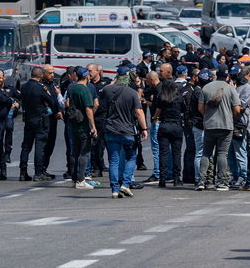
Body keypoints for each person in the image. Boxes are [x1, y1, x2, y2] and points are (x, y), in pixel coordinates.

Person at [101, 69, 147, 199]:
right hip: (127, 130)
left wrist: (113, 82)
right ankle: (125, 184)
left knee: (113, 161)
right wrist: (144, 129)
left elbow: (102, 95)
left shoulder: (108, 90)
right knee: (131, 157)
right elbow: (139, 112)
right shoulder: (132, 93)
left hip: (111, 129)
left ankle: (115, 189)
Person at [198, 67, 240, 191]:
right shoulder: (231, 89)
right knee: (222, 154)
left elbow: (200, 108)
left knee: (206, 153)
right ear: (227, 77)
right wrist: (230, 117)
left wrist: (207, 116)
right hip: (226, 126)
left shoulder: (206, 88)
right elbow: (237, 109)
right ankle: (222, 182)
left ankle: (201, 181)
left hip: (210, 125)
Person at [19, 66, 57, 181]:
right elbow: (52, 101)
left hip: (28, 119)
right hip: (40, 119)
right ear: (41, 76)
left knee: (26, 146)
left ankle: (23, 172)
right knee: (40, 147)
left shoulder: (24, 86)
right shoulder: (41, 87)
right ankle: (38, 172)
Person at [153, 64, 188, 188]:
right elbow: (184, 110)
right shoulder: (178, 98)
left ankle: (162, 179)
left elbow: (157, 111)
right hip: (176, 126)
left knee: (163, 153)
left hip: (164, 125)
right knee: (176, 153)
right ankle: (176, 178)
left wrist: (155, 118)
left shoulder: (162, 98)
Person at [64, 67, 97, 188]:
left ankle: (74, 178)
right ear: (87, 76)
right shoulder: (84, 89)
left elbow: (67, 103)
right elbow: (89, 108)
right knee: (84, 153)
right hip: (83, 125)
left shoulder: (72, 88)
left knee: (75, 152)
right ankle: (81, 180)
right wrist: (93, 126)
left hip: (74, 124)